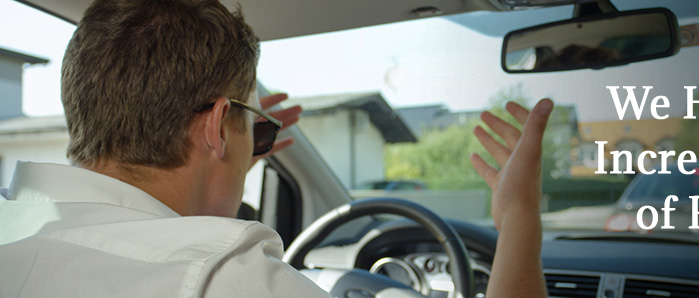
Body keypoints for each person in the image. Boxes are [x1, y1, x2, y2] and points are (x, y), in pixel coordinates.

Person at [0, 0, 550, 297]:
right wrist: (519, 220)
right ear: (217, 123)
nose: (256, 150)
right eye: (255, 128)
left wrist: (234, 149)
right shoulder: (223, 278)